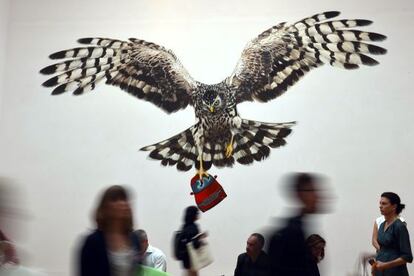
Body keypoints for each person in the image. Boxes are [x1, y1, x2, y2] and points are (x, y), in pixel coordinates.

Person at [267, 172, 326, 276]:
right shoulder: (287, 236)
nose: (317, 196)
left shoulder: (299, 232)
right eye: (311, 191)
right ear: (299, 194)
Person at [78, 185, 141, 276]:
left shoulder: (135, 239)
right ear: (105, 207)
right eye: (115, 199)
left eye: (124, 199)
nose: (122, 203)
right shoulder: (93, 242)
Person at [371, 192, 412, 276]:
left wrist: (386, 265)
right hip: (380, 272)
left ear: (394, 206)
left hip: (395, 272)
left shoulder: (399, 226)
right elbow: (383, 248)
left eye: (384, 203)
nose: (380, 206)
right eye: (380, 203)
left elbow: (407, 257)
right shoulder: (382, 225)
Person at [179, 206, 206, 276]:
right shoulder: (194, 227)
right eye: (197, 213)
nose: (198, 214)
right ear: (193, 215)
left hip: (186, 261)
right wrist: (201, 240)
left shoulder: (184, 227)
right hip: (192, 260)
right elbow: (194, 244)